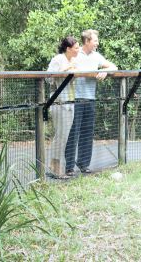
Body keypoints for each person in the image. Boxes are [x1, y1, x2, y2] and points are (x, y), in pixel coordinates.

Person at [65, 29, 117, 176]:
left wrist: (105, 71)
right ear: (87, 41)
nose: (97, 43)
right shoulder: (76, 53)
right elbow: (67, 67)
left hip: (90, 98)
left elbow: (114, 66)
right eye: (95, 40)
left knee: (87, 133)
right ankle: (69, 167)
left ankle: (83, 164)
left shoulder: (96, 56)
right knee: (73, 133)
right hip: (75, 99)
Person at [46, 36, 80, 179]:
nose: (78, 50)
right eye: (76, 48)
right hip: (58, 101)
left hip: (70, 101)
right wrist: (66, 68)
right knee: (60, 135)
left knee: (64, 135)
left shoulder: (74, 60)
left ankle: (56, 165)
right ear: (68, 48)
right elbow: (49, 78)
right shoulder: (58, 59)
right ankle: (55, 167)